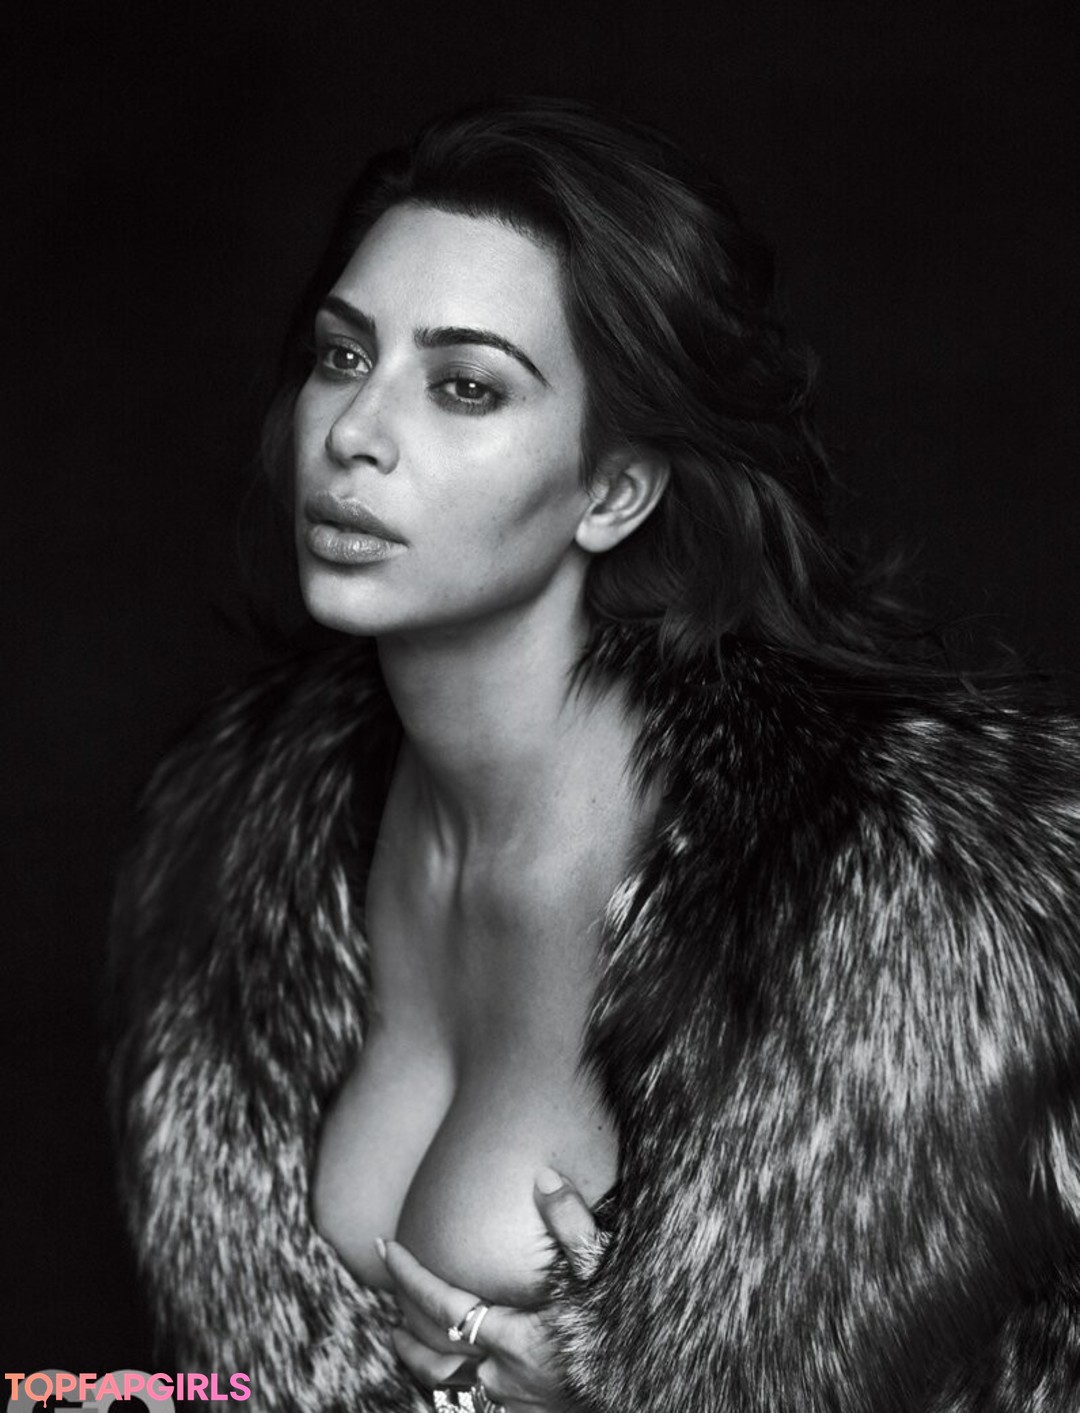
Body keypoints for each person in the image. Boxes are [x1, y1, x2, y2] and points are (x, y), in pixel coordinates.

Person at [108, 97, 1080, 1413]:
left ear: (614, 491)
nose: (352, 433)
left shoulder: (904, 902)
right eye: (343, 356)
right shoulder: (226, 849)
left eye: (465, 386)